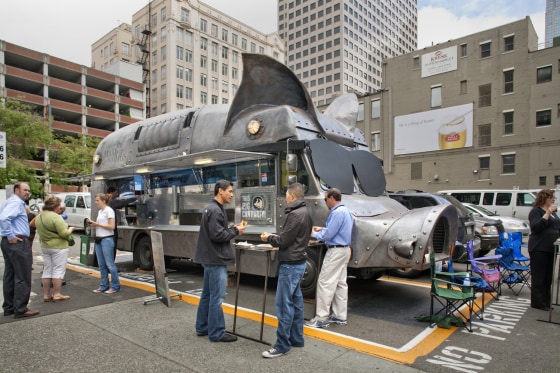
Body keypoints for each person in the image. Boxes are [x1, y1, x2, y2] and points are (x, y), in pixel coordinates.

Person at [260, 183, 312, 358]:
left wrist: (269, 237)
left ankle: (282, 345)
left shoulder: (295, 215)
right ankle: (296, 339)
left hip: (290, 264)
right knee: (296, 303)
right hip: (299, 262)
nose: (285, 199)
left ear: (292, 196)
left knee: (283, 305)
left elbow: (284, 240)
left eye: (287, 196)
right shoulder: (305, 212)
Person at [194, 179, 246, 342]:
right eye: (230, 191)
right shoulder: (216, 210)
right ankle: (216, 333)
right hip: (216, 258)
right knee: (217, 297)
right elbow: (218, 235)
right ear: (220, 191)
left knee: (207, 295)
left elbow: (217, 232)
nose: (232, 194)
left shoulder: (211, 209)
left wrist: (232, 229)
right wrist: (236, 231)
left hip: (209, 257)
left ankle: (202, 327)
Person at [306, 187, 354, 328]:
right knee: (340, 284)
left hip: (335, 251)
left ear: (332, 198)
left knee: (324, 283)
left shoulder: (337, 213)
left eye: (326, 199)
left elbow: (328, 235)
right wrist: (323, 228)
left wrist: (312, 233)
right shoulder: (345, 211)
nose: (325, 202)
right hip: (344, 250)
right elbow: (336, 230)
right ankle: (340, 316)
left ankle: (321, 318)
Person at [0, 182, 39, 318]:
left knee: (10, 275)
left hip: (9, 242)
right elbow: (4, 218)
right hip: (18, 242)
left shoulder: (10, 202)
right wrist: (11, 236)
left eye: (29, 190)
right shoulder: (16, 203)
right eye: (25, 190)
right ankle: (21, 308)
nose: (27, 192)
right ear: (17, 190)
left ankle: (9, 307)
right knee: (22, 275)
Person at [34, 196, 74, 302]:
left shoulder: (39, 217)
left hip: (45, 246)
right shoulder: (55, 217)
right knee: (58, 270)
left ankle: (46, 295)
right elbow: (64, 233)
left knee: (47, 270)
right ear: (55, 206)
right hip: (59, 247)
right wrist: (70, 229)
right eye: (59, 205)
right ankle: (57, 294)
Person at [528, 189, 560, 311]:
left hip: (551, 248)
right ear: (544, 198)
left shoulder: (554, 213)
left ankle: (546, 301)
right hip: (539, 248)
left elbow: (557, 226)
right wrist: (547, 214)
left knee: (548, 276)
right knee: (539, 276)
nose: (553, 200)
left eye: (554, 198)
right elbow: (536, 227)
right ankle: (538, 302)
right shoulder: (536, 211)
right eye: (551, 197)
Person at [89, 193, 120, 294]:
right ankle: (104, 285)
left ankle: (115, 286)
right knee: (101, 264)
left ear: (103, 201)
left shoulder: (109, 211)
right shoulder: (100, 211)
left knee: (110, 264)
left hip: (107, 239)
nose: (96, 202)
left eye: (97, 200)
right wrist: (94, 225)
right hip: (99, 239)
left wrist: (97, 224)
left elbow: (112, 226)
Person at [107, 186, 136, 259]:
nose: (117, 195)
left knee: (109, 249)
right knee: (112, 249)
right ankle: (111, 266)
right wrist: (136, 198)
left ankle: (109, 265)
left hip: (108, 230)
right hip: (112, 230)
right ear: (111, 193)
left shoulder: (107, 203)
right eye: (116, 193)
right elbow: (124, 202)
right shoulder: (112, 202)